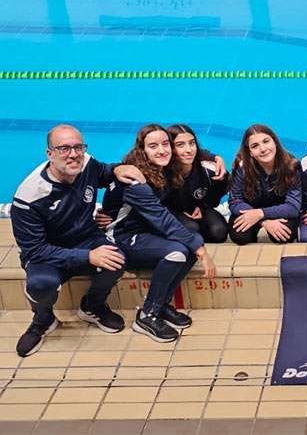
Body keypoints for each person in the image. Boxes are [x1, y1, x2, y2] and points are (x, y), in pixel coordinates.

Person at [10, 125, 145, 357]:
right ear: (49, 154)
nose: (73, 154)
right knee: (41, 284)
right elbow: (35, 250)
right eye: (64, 148)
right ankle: (42, 320)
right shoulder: (29, 196)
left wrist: (119, 169)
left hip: (85, 239)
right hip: (48, 254)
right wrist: (88, 256)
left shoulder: (86, 165)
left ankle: (92, 306)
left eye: (78, 147)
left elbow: (103, 171)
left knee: (117, 259)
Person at [103, 124, 216, 343]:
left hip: (145, 230)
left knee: (191, 245)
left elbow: (192, 150)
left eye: (165, 144)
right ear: (142, 150)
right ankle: (147, 315)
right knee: (179, 252)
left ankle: (162, 304)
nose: (162, 150)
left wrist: (216, 157)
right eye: (153, 146)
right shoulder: (137, 182)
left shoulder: (160, 169)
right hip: (121, 238)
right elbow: (163, 220)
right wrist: (202, 252)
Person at [228, 124, 302, 245]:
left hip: (280, 210)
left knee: (284, 236)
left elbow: (293, 207)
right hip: (250, 210)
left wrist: (260, 214)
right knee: (240, 236)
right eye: (255, 146)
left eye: (266, 141)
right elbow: (235, 201)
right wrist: (263, 221)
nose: (263, 149)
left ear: (275, 142)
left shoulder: (292, 166)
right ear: (250, 152)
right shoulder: (243, 168)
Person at [163, 124, 229, 243]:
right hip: (168, 212)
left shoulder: (207, 168)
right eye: (180, 145)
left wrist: (203, 206)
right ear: (169, 148)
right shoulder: (161, 170)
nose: (189, 150)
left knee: (219, 232)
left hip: (196, 208)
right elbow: (155, 204)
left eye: (192, 143)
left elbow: (216, 195)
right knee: (191, 228)